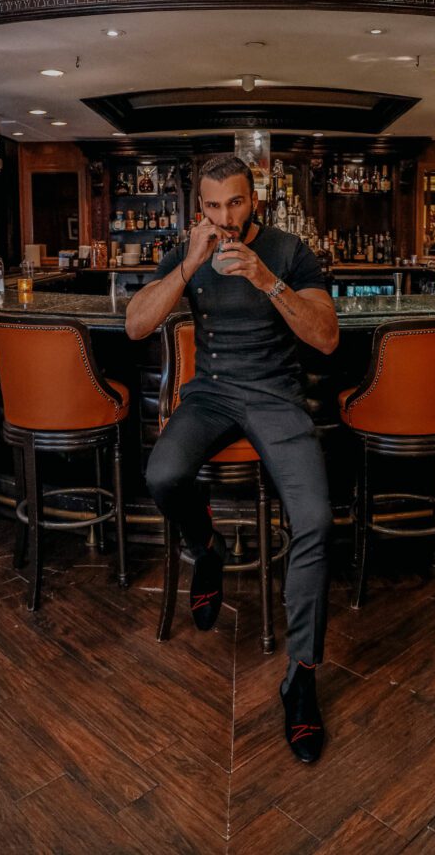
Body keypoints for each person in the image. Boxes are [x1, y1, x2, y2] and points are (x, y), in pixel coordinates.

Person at [125, 154, 339, 763]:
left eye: (237, 203)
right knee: (162, 474)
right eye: (214, 206)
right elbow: (137, 325)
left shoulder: (289, 250)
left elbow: (326, 336)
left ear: (256, 199)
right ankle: (209, 549)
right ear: (200, 207)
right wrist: (188, 264)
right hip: (211, 394)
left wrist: (268, 279)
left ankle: (301, 678)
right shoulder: (190, 248)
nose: (226, 217)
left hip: (276, 396)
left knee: (317, 522)